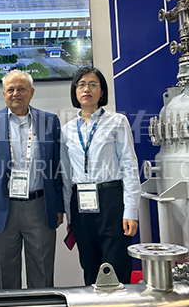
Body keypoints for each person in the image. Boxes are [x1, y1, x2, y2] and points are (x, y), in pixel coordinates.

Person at [0, 70, 63, 289]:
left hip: (40, 207)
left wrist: (59, 207)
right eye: (11, 89)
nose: (16, 93)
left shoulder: (50, 121)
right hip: (2, 209)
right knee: (6, 276)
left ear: (31, 92)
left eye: (21, 89)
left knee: (42, 274)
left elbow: (57, 167)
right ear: (4, 93)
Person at [60, 66, 141, 285]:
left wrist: (131, 211)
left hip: (111, 200)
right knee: (89, 265)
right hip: (81, 203)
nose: (87, 89)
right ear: (75, 91)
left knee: (115, 265)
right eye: (81, 85)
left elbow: (129, 167)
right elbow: (66, 175)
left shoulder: (117, 122)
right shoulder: (67, 130)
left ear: (102, 91)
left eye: (93, 84)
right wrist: (70, 216)